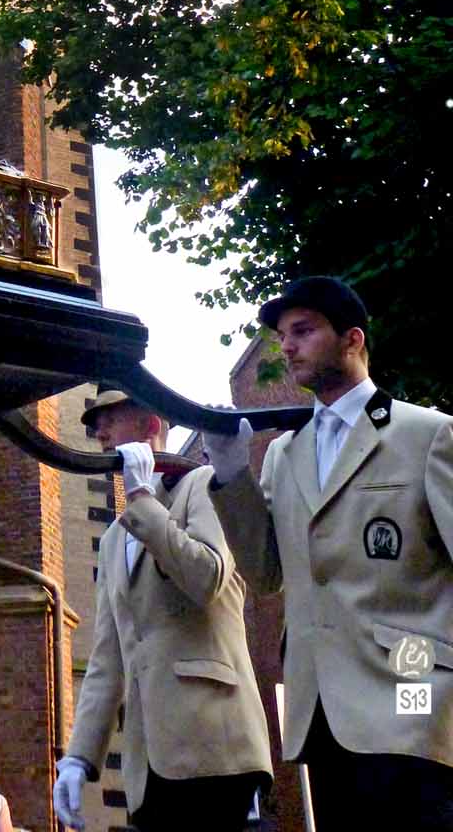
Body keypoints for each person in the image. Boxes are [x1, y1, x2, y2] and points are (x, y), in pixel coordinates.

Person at [204, 275, 453, 830]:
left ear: (352, 340)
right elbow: (267, 575)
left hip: (411, 698)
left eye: (304, 330)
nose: (287, 346)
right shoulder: (285, 455)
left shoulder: (426, 435)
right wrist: (229, 476)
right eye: (281, 335)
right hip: (321, 715)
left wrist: (436, 697)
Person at [54, 391, 271, 831]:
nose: (99, 436)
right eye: (97, 427)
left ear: (151, 426)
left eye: (110, 421)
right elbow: (108, 656)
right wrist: (79, 756)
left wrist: (140, 497)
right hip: (150, 764)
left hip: (216, 749)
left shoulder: (204, 485)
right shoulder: (116, 536)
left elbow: (208, 578)